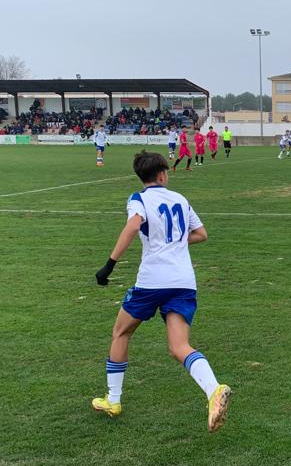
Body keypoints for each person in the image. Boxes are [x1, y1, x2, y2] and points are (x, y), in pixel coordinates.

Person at [92, 151, 231, 432]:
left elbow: (133, 225)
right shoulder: (180, 199)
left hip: (152, 282)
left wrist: (109, 265)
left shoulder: (139, 199)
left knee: (121, 332)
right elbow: (201, 234)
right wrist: (176, 242)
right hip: (183, 281)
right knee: (179, 347)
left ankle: (114, 400)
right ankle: (214, 390)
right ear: (163, 174)